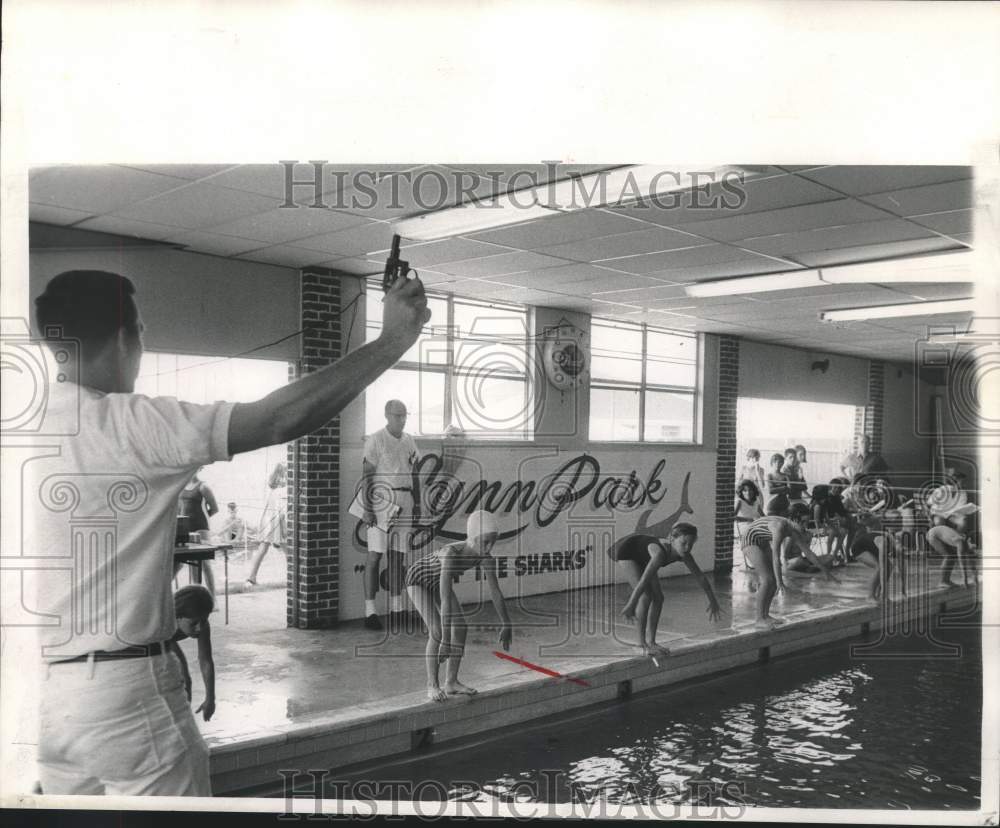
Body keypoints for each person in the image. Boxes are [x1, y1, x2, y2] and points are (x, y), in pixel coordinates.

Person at [29, 269, 428, 796]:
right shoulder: (127, 424)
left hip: (49, 699)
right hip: (126, 693)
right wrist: (393, 339)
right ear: (129, 337)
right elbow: (277, 419)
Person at [405, 511, 512, 702]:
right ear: (472, 539)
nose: (489, 547)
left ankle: (451, 682)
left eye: (492, 542)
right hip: (417, 580)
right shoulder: (450, 554)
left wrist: (506, 623)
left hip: (436, 581)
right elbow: (445, 598)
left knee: (461, 627)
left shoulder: (486, 558)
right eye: (484, 542)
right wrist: (446, 640)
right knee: (437, 630)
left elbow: (495, 591)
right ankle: (432, 685)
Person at [611, 523, 722, 657]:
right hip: (628, 551)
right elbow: (643, 582)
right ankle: (641, 645)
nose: (687, 548)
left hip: (644, 556)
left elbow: (701, 578)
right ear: (672, 539)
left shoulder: (685, 554)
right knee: (646, 596)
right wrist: (631, 605)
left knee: (659, 598)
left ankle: (652, 642)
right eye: (684, 543)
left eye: (691, 544)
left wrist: (713, 601)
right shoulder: (659, 554)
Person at [359, 400, 421, 630]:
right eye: (397, 415)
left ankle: (397, 609)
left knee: (398, 557)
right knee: (375, 555)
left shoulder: (409, 440)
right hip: (382, 502)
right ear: (387, 415)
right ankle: (370, 612)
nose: (402, 419)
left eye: (405, 415)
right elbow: (367, 475)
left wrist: (418, 504)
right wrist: (367, 508)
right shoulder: (375, 439)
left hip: (405, 500)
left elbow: (415, 474)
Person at [740, 505, 835, 630]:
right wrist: (780, 582)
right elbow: (776, 557)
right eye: (803, 522)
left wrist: (825, 571)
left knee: (772, 583)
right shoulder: (780, 527)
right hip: (750, 540)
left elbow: (808, 553)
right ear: (794, 520)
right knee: (768, 580)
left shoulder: (793, 530)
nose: (805, 526)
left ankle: (766, 616)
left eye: (807, 522)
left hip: (761, 540)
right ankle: (759, 619)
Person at [168, 586, 216, 722]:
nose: (199, 628)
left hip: (167, 637)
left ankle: (184, 721)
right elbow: (183, 675)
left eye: (204, 620)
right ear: (178, 617)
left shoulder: (201, 624)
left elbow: (206, 660)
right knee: (184, 680)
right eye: (194, 623)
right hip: (152, 639)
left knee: (185, 680)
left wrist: (210, 699)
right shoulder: (165, 622)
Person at [175, 470, 219, 595]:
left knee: (205, 563)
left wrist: (201, 520)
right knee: (193, 564)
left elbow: (215, 509)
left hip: (201, 528)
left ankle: (213, 598)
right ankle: (196, 597)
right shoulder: (181, 486)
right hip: (186, 529)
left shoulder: (203, 487)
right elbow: (179, 509)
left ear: (199, 469)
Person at [244, 462, 288, 588]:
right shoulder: (283, 490)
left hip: (268, 520)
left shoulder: (274, 489)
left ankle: (251, 577)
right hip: (276, 521)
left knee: (263, 549)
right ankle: (293, 576)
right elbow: (283, 510)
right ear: (282, 474)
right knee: (287, 551)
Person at [926, 523, 977, 588]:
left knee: (952, 556)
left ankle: (946, 581)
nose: (975, 550)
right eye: (974, 547)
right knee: (949, 556)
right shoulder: (960, 542)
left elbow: (972, 563)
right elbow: (962, 564)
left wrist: (975, 578)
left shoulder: (967, 544)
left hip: (940, 531)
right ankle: (943, 582)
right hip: (933, 535)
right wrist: (965, 581)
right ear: (969, 541)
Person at [810, 482, 848, 563]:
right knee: (832, 532)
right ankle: (828, 555)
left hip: (822, 526)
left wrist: (833, 526)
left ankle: (834, 554)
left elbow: (827, 519)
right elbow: (816, 521)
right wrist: (827, 527)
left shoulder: (824, 504)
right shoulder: (817, 506)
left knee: (843, 531)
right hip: (814, 528)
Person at [733, 479, 764, 547]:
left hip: (756, 526)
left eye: (750, 490)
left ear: (754, 491)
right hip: (745, 527)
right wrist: (749, 519)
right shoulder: (739, 502)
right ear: (741, 492)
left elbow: (763, 516)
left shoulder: (756, 502)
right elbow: (733, 517)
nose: (748, 492)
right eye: (745, 490)